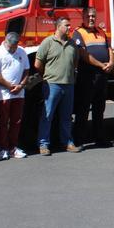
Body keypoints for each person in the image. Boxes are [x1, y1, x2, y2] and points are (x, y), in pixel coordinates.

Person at [35, 17, 82, 155]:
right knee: (47, 115)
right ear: (58, 26)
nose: (69, 28)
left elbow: (75, 62)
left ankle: (67, 142)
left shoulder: (72, 43)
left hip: (69, 85)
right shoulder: (48, 42)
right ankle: (43, 144)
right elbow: (38, 64)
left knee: (66, 116)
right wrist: (49, 76)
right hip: (52, 85)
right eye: (67, 25)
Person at [72, 7, 114, 148]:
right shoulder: (78, 33)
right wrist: (101, 65)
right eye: (89, 16)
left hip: (102, 76)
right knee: (83, 109)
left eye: (93, 16)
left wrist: (111, 63)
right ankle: (79, 140)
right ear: (83, 17)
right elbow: (83, 54)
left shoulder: (101, 32)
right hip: (87, 77)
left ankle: (100, 138)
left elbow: (109, 49)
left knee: (99, 108)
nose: (91, 18)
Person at [0, 31, 30, 160]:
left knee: (16, 121)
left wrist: (21, 85)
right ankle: (3, 149)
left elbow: (26, 70)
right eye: (11, 46)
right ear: (5, 41)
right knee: (3, 122)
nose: (13, 48)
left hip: (19, 93)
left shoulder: (22, 52)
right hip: (3, 94)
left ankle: (13, 148)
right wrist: (9, 86)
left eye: (15, 46)